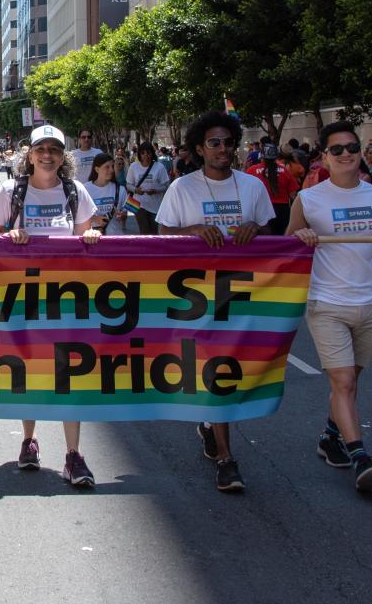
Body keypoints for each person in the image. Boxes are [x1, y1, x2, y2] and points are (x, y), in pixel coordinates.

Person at [287, 121, 372, 493]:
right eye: (337, 149)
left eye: (352, 147)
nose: (346, 154)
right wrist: (302, 237)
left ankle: (330, 437)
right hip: (327, 303)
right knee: (342, 381)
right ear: (324, 157)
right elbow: (287, 249)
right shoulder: (309, 199)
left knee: (351, 381)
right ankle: (359, 454)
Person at [156, 111, 275, 493]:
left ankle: (209, 424)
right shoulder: (182, 188)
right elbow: (162, 235)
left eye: (228, 142)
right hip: (194, 295)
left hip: (241, 295)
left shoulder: (253, 187)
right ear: (198, 149)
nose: (223, 149)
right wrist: (192, 231)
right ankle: (226, 458)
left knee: (228, 371)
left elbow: (272, 237)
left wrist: (255, 229)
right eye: (214, 143)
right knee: (216, 370)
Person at [0, 124, 101, 488]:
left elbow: (86, 234)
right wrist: (8, 236)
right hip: (23, 299)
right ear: (29, 155)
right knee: (27, 370)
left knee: (69, 372)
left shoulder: (75, 191)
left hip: (68, 300)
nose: (47, 155)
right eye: (40, 149)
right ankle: (29, 441)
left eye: (54, 149)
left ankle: (73, 455)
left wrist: (93, 235)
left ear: (63, 156)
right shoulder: (11, 190)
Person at [245, 143, 299, 234]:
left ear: (261, 156)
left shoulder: (252, 170)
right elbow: (293, 195)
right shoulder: (284, 171)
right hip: (282, 211)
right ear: (276, 157)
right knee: (281, 241)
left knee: (264, 242)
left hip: (261, 211)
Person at [126, 141, 171, 235]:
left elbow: (166, 185)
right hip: (138, 204)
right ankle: (144, 249)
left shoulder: (159, 167)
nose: (146, 155)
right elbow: (128, 184)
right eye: (143, 153)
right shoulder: (134, 166)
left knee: (154, 232)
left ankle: (154, 249)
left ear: (152, 153)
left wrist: (156, 190)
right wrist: (136, 190)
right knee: (144, 231)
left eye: (148, 153)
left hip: (155, 205)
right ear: (139, 154)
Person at [83, 152, 127, 234]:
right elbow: (78, 215)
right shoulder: (84, 189)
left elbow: (124, 215)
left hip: (115, 239)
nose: (111, 170)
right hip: (92, 238)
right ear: (97, 169)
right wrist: (94, 218)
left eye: (112, 166)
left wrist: (122, 215)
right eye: (107, 167)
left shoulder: (121, 190)